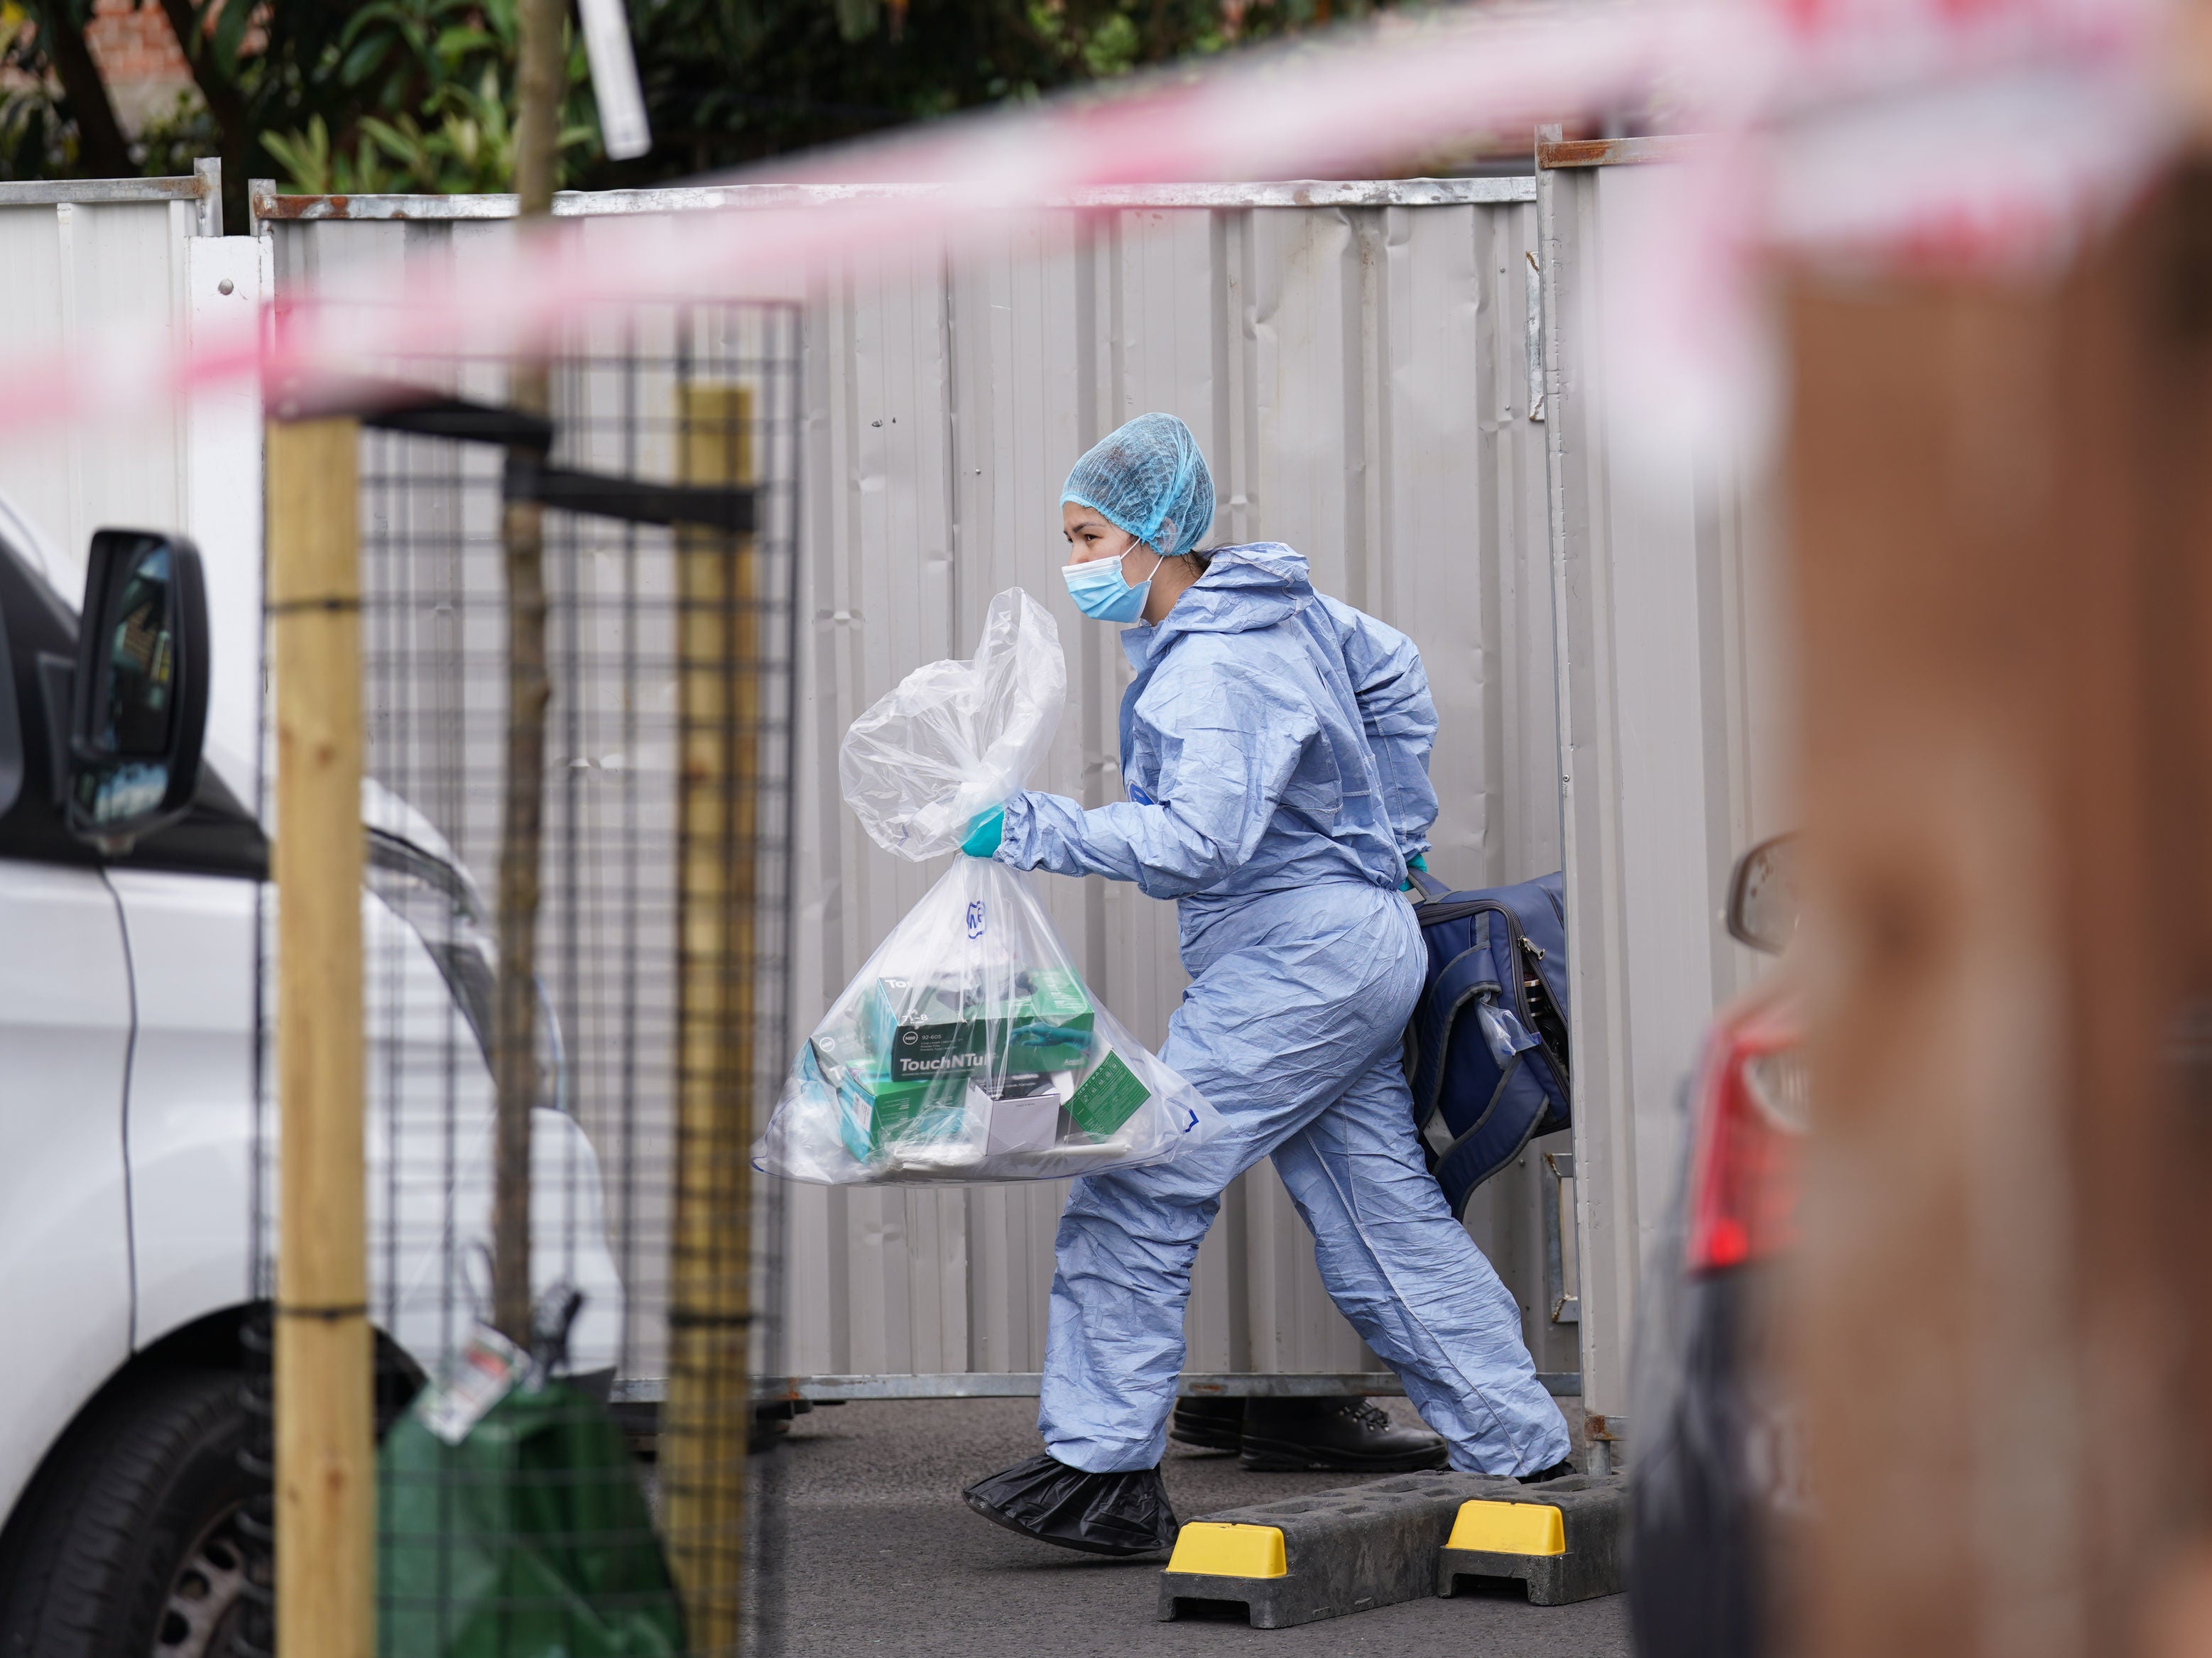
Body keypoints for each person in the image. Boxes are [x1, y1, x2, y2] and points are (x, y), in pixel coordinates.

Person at [959, 413, 1571, 1559]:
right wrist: (1387, 829)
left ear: (1153, 537)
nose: (1076, 561)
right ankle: (1519, 1443)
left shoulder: (1213, 664)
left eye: (1088, 537)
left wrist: (1028, 827)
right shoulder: (1277, 610)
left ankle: (1102, 1472)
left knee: (1138, 1179)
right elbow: (1393, 668)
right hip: (1349, 948)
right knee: (1379, 1213)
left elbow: (1199, 841)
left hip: (1301, 963)